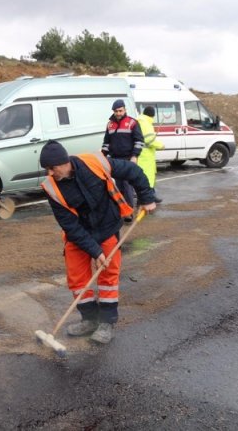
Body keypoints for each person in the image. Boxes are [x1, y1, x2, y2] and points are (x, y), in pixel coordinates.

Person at [39, 140, 156, 344]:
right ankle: (89, 320)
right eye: (46, 169)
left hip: (107, 226)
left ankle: (106, 323)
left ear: (64, 162)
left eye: (52, 168)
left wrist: (146, 197)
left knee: (108, 275)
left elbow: (132, 171)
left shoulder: (94, 162)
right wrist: (95, 251)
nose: (49, 173)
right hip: (79, 233)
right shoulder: (51, 187)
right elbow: (69, 224)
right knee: (77, 278)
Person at [101, 99, 144, 219]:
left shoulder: (132, 122)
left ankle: (129, 212)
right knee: (118, 187)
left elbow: (139, 141)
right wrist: (102, 156)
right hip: (115, 160)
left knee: (127, 186)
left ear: (125, 109)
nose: (118, 113)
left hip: (128, 159)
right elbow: (106, 143)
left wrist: (135, 156)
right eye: (116, 111)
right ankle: (122, 210)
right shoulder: (110, 124)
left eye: (120, 110)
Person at [137, 106, 164, 203]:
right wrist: (161, 145)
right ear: (152, 115)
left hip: (140, 154)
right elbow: (149, 140)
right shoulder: (146, 123)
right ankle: (147, 198)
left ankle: (148, 196)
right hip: (146, 155)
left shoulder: (139, 120)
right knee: (148, 177)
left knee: (143, 177)